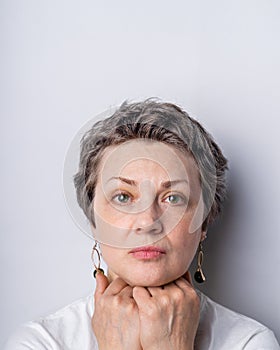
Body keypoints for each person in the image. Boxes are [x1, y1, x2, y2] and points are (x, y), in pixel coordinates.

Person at [4, 99, 279, 349]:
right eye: (123, 197)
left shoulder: (249, 342)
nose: (148, 222)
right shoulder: (38, 343)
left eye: (173, 198)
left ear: (204, 222)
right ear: (93, 219)